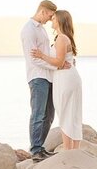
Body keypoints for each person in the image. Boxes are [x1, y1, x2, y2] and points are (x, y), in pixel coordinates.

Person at [34, 9, 83, 149]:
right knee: (72, 112)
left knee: (65, 112)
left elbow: (59, 62)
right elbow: (66, 61)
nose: (51, 20)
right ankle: (74, 150)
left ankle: (68, 150)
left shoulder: (61, 38)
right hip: (68, 77)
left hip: (65, 78)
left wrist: (41, 55)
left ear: (60, 21)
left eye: (54, 18)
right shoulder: (64, 38)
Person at [20, 0, 58, 159]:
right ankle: (35, 149)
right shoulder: (29, 29)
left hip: (48, 77)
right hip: (37, 77)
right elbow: (33, 58)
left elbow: (45, 54)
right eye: (49, 16)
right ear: (42, 11)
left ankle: (41, 147)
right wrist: (57, 66)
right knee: (38, 114)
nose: (50, 20)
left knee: (49, 114)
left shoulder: (41, 29)